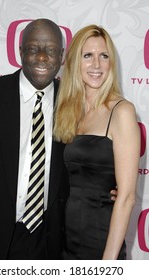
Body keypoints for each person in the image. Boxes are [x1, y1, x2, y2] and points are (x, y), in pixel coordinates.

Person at [0, 19, 117, 260]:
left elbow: (86, 158)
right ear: (20, 52)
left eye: (50, 50)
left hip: (46, 243)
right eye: (33, 48)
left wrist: (107, 183)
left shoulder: (74, 103)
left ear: (61, 56)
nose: (41, 57)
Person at [53, 24, 140, 260]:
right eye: (88, 56)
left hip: (101, 240)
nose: (97, 65)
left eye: (104, 56)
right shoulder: (67, 110)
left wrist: (107, 264)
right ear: (74, 62)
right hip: (64, 239)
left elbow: (127, 197)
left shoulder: (121, 112)